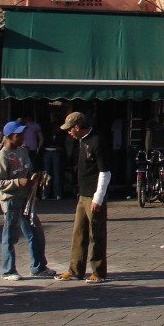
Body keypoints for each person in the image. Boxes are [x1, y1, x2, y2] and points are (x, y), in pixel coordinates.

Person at [0, 120, 55, 281]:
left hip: (27, 200)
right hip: (11, 201)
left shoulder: (23, 152)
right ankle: (8, 270)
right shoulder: (0, 157)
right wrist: (17, 182)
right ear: (9, 137)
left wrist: (37, 177)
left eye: (22, 135)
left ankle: (38, 266)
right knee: (10, 236)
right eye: (18, 136)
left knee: (36, 233)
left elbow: (29, 171)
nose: (22, 138)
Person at [54, 113, 112, 284]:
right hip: (82, 194)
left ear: (77, 127)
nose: (69, 133)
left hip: (93, 196)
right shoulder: (81, 141)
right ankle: (75, 270)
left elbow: (105, 172)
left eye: (70, 129)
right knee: (78, 233)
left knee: (97, 234)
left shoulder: (97, 141)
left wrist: (98, 198)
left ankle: (98, 272)